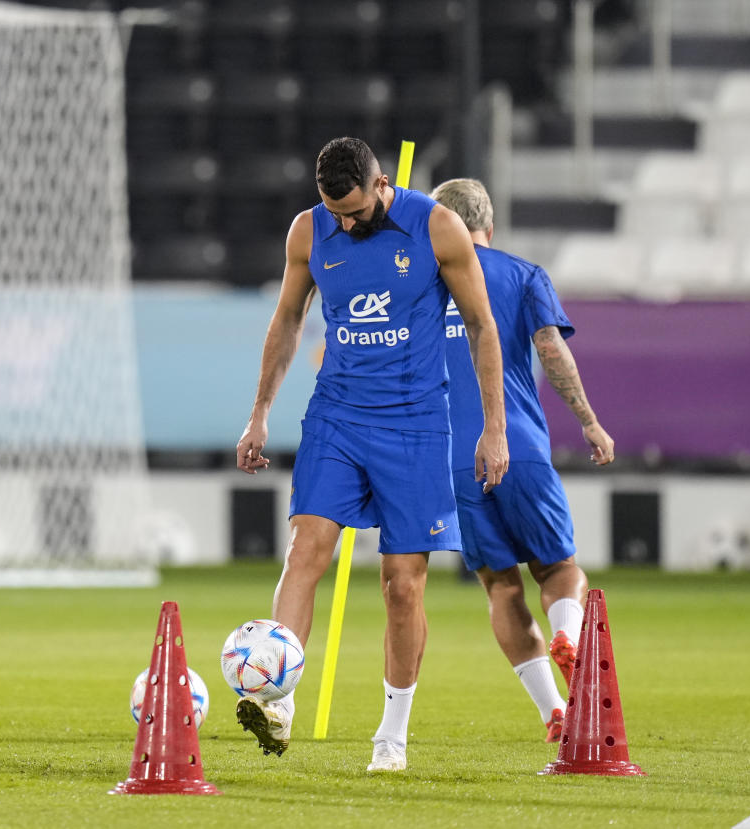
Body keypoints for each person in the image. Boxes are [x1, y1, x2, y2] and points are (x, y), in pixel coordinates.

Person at [235, 138, 509, 772]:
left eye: (355, 213)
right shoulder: (309, 231)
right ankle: (278, 701)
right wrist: (259, 415)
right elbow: (286, 322)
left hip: (414, 426)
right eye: (336, 214)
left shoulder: (437, 228)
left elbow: (481, 325)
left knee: (401, 588)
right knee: (305, 551)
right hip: (336, 417)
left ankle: (392, 734)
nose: (346, 225)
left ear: (381, 184)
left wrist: (493, 428)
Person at [430, 178, 613, 743]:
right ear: (490, 223)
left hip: (451, 456)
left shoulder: (418, 285)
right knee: (558, 568)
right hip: (518, 443)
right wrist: (588, 420)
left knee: (500, 586)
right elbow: (552, 350)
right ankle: (569, 636)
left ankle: (553, 709)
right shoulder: (522, 275)